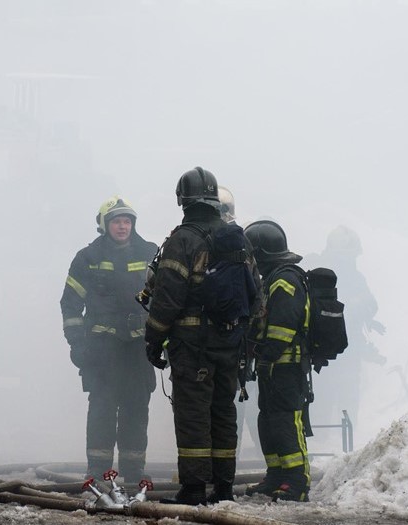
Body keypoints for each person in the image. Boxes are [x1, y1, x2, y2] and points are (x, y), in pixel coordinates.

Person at [144, 168, 257, 505]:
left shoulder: (182, 240)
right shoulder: (239, 238)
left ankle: (193, 490)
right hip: (230, 342)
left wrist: (153, 339)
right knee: (223, 413)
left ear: (183, 200)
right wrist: (244, 340)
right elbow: (256, 293)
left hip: (192, 346)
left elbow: (167, 299)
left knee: (193, 415)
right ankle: (223, 488)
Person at [60, 196, 159, 483]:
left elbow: (165, 300)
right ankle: (100, 470)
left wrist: (163, 341)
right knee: (102, 406)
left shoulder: (150, 253)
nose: (123, 226)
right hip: (102, 349)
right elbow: (70, 304)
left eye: (127, 221)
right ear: (105, 225)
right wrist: (77, 343)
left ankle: (132, 470)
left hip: (139, 348)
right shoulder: (87, 258)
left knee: (137, 407)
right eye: (117, 221)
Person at [242, 220, 311, 502]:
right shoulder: (271, 278)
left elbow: (283, 327)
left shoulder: (285, 280)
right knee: (267, 421)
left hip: (286, 367)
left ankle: (297, 481)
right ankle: (276, 474)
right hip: (271, 368)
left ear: (260, 253)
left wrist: (264, 353)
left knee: (285, 421)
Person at [303, 225, 386, 434]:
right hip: (320, 349)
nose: (353, 261)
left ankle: (347, 446)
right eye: (350, 256)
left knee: (348, 399)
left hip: (348, 351)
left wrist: (361, 310)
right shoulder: (317, 272)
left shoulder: (354, 276)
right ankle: (319, 442)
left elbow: (371, 303)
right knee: (322, 400)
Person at [216, 186, 263, 458]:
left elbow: (254, 291)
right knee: (230, 402)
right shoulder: (238, 242)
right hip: (230, 340)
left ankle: (227, 460)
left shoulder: (238, 243)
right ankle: (223, 463)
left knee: (236, 401)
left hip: (231, 341)